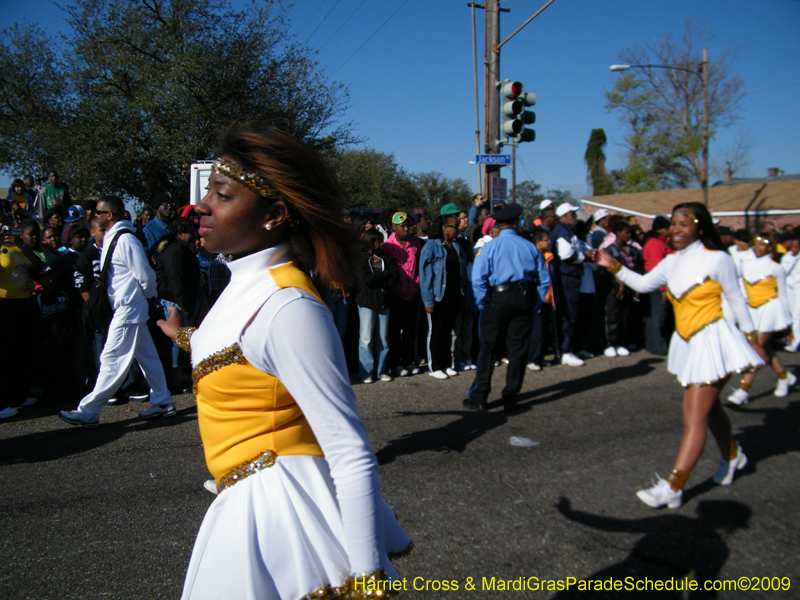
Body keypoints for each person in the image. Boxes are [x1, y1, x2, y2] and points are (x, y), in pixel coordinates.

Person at [155, 124, 410, 598]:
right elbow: (237, 353)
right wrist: (184, 336)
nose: (201, 206)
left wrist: (368, 581)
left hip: (281, 513)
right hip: (244, 502)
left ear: (274, 214)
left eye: (222, 194)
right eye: (208, 190)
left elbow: (349, 453)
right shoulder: (244, 282)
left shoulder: (289, 306)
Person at [594, 202, 765, 509]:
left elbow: (737, 300)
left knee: (695, 417)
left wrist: (752, 339)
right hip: (688, 344)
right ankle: (732, 455)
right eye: (673, 224)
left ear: (700, 227)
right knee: (708, 411)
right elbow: (644, 284)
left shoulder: (718, 259)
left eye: (684, 224)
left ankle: (674, 487)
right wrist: (613, 265)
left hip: (714, 341)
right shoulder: (672, 262)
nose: (676, 229)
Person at [59, 195, 173, 428]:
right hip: (126, 307)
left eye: (98, 213)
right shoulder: (114, 238)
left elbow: (146, 275)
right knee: (148, 357)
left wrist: (150, 298)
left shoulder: (126, 240)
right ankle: (163, 401)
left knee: (111, 358)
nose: (94, 216)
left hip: (129, 308)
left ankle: (89, 411)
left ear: (109, 215)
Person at [464, 204, 550, 413]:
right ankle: (510, 397)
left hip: (496, 300)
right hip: (523, 299)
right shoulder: (529, 246)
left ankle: (480, 397)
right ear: (517, 223)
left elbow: (478, 279)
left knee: (488, 349)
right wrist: (535, 305)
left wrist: (482, 302)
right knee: (517, 351)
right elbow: (544, 281)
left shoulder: (490, 247)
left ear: (498, 225)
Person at [727, 233, 795, 403]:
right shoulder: (744, 263)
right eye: (755, 244)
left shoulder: (775, 268)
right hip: (752, 310)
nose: (757, 248)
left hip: (770, 310)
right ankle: (784, 376)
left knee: (754, 349)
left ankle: (744, 390)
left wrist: (788, 325)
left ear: (770, 247)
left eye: (762, 245)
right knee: (765, 349)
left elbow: (783, 295)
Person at [419, 209, 468, 379]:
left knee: (448, 332)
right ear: (444, 228)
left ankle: (447, 364)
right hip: (437, 297)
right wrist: (428, 301)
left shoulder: (457, 246)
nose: (457, 229)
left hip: (453, 296)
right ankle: (435, 366)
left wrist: (462, 295)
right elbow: (425, 276)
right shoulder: (431, 247)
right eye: (454, 226)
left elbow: (462, 273)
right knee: (437, 332)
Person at [551, 203, 592, 366]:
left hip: (573, 278)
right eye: (572, 213)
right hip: (567, 278)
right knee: (569, 313)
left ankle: (573, 347)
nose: (574, 215)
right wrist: (584, 256)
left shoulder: (568, 230)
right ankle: (565, 350)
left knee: (575, 313)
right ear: (565, 215)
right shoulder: (562, 230)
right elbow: (566, 254)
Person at [382, 211, 422, 377]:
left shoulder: (415, 244)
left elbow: (420, 266)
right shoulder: (387, 246)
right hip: (396, 294)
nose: (406, 229)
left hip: (412, 294)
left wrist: (417, 283)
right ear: (393, 227)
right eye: (402, 226)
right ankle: (396, 363)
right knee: (394, 331)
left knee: (410, 330)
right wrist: (395, 286)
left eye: (407, 226)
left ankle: (408, 361)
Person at [356, 229, 398, 383]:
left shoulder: (385, 258)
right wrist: (383, 274)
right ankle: (365, 372)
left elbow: (394, 277)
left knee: (383, 338)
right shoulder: (362, 259)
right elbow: (366, 279)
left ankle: (381, 371)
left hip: (384, 302)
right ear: (371, 241)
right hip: (367, 302)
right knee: (366, 338)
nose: (381, 243)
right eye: (378, 240)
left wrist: (381, 278)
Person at [641, 215, 673, 355]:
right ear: (661, 230)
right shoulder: (655, 244)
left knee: (656, 315)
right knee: (657, 316)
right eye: (667, 228)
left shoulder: (659, 242)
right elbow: (657, 267)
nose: (670, 230)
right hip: (656, 285)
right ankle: (656, 346)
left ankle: (654, 344)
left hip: (657, 283)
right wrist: (663, 289)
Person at [781, 233, 800, 353]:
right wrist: (792, 258)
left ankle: (796, 342)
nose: (794, 249)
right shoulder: (787, 257)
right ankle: (790, 338)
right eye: (792, 246)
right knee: (790, 314)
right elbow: (783, 272)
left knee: (797, 315)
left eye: (796, 246)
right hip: (789, 289)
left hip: (799, 288)